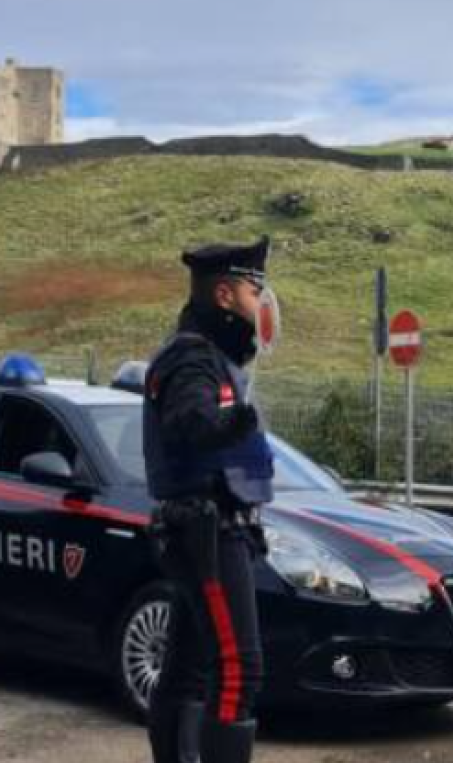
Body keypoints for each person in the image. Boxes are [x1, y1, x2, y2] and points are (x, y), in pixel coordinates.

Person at [142, 237, 276, 763]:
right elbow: (189, 422)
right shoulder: (192, 357)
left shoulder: (213, 355)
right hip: (205, 529)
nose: (260, 301)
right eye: (253, 288)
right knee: (239, 667)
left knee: (187, 670)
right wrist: (231, 423)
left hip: (215, 526)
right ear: (224, 294)